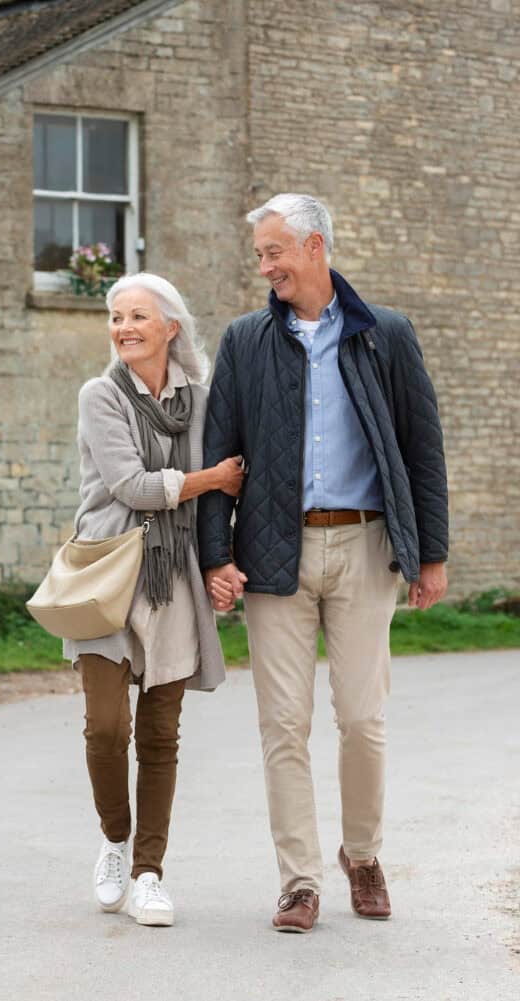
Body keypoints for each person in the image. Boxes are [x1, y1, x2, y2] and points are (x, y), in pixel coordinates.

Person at [198, 193, 448, 933]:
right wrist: (216, 553)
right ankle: (299, 879)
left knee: (363, 719)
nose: (265, 266)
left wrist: (431, 552)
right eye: (261, 255)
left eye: (274, 251)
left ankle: (362, 854)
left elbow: (422, 446)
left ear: (314, 248)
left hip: (367, 546)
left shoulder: (385, 334)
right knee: (283, 723)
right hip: (274, 549)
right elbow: (218, 452)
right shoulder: (245, 340)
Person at [64, 272, 243, 926]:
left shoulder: (200, 398)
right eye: (116, 317)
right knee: (107, 725)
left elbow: (227, 489)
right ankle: (114, 838)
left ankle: (147, 871)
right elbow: (131, 484)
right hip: (107, 571)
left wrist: (223, 561)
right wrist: (212, 477)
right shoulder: (100, 395)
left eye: (138, 316)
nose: (124, 328)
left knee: (161, 734)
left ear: (170, 326)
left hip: (174, 576)